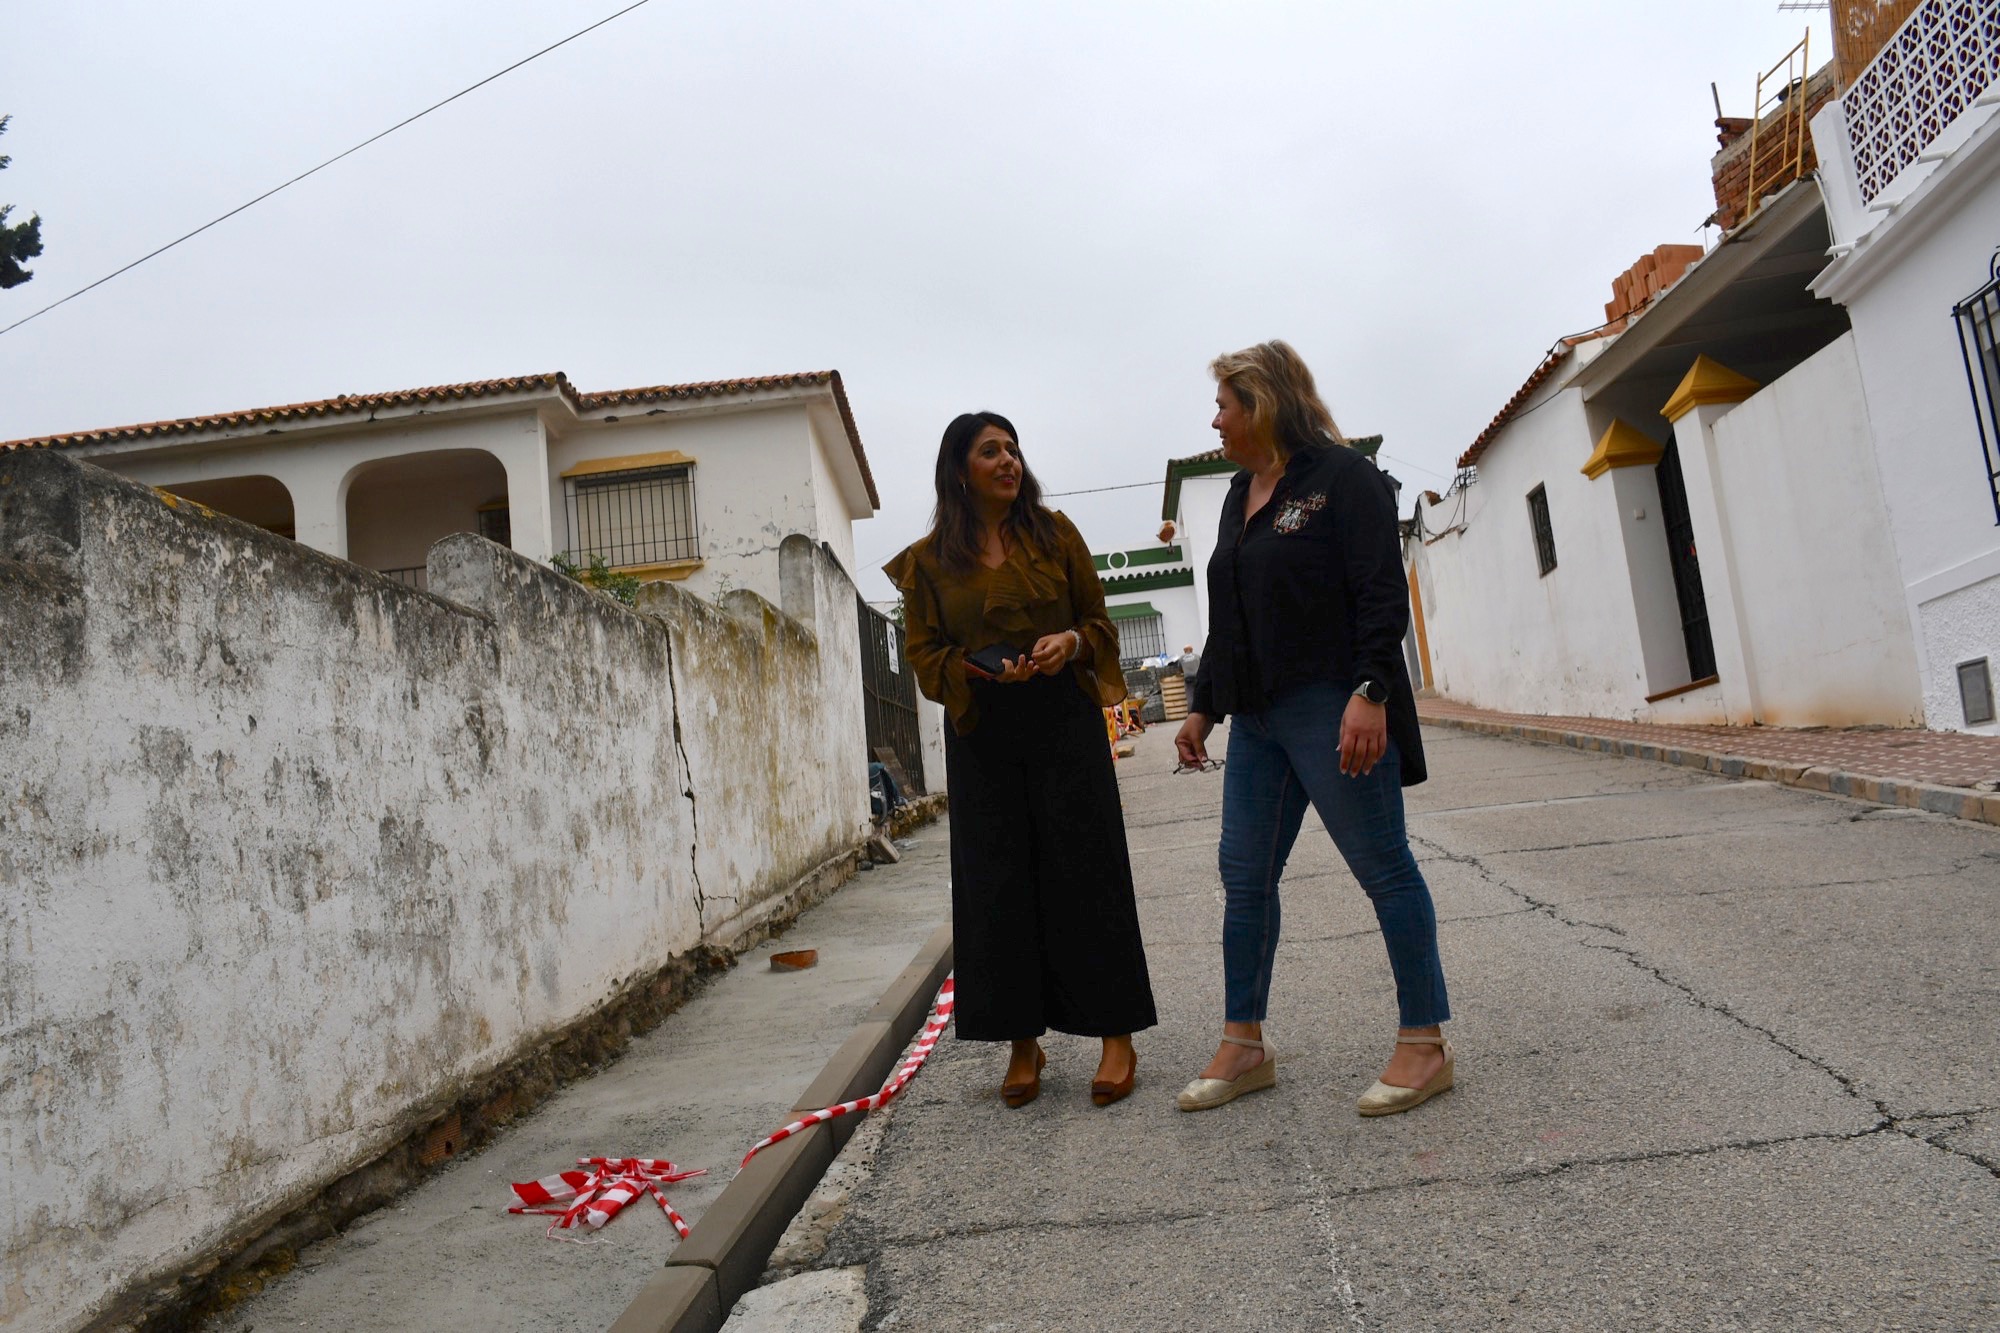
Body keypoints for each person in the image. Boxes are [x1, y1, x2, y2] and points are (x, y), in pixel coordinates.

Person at [1173, 341, 1453, 1118]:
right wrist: (1204, 706)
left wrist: (1371, 691)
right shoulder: (1240, 493)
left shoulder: (1344, 478)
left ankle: (1424, 1042)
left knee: (1384, 867)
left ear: (1261, 403)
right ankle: (1243, 1042)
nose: (1215, 421)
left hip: (1334, 706)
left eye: (1224, 405)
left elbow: (1380, 593)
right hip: (1258, 722)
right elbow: (1229, 618)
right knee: (1244, 876)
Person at [885, 412, 1157, 1108]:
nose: (1009, 460)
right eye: (990, 451)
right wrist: (973, 668)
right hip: (983, 732)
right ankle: (1022, 1041)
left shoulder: (1055, 534)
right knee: (997, 885)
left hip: (1064, 722)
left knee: (1088, 870)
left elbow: (1098, 623)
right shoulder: (928, 562)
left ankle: (1116, 1034)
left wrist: (1070, 642)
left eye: (1012, 448)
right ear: (960, 470)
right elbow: (923, 654)